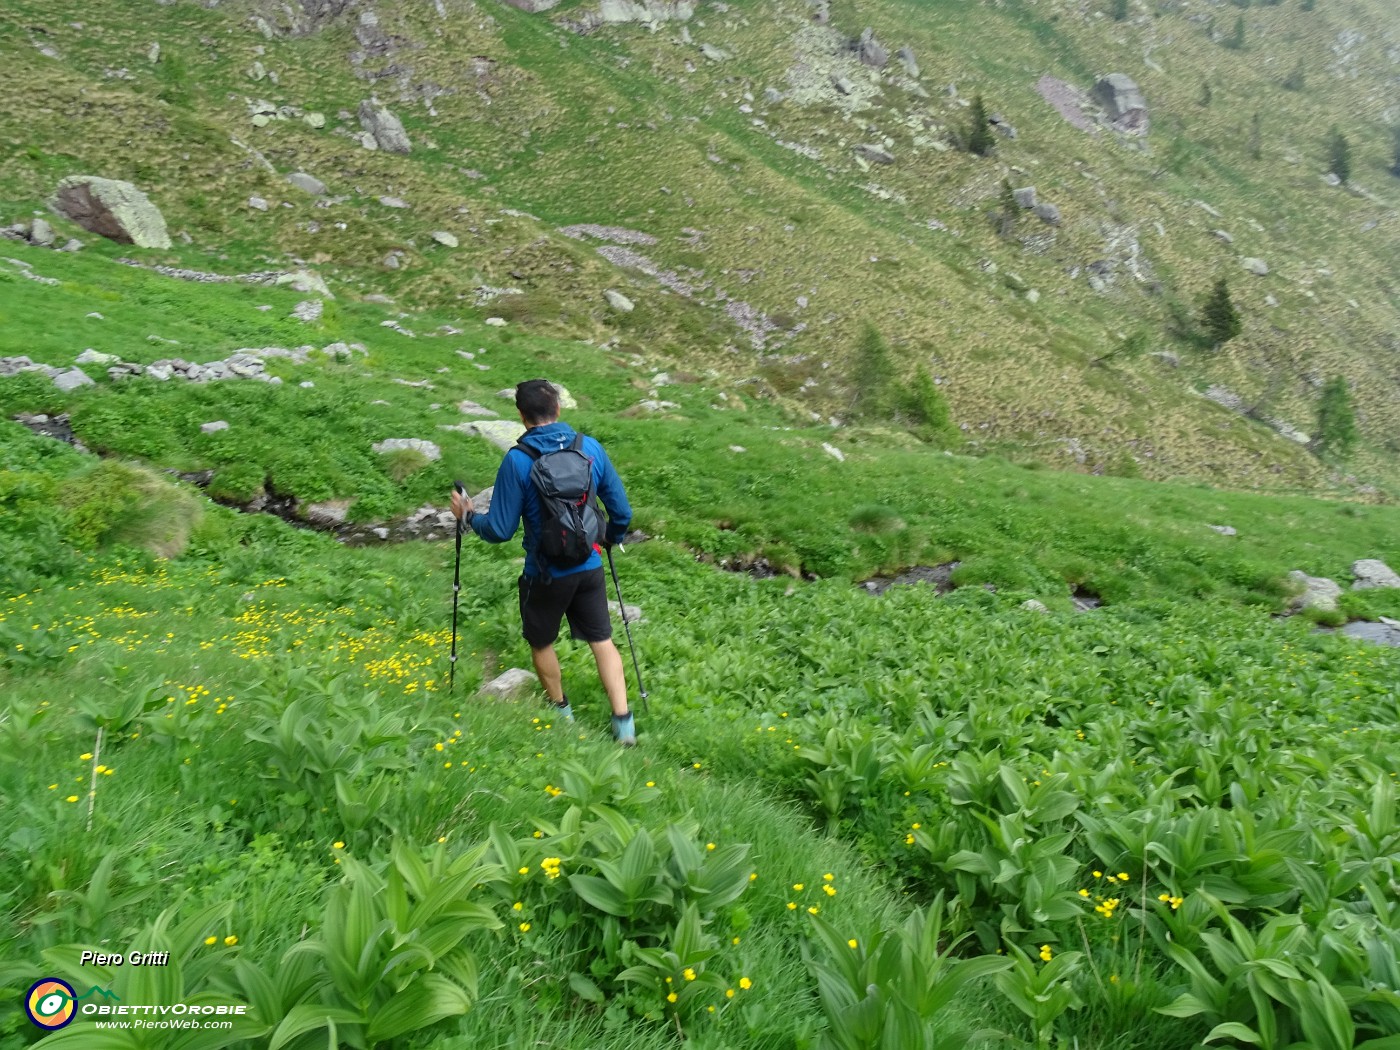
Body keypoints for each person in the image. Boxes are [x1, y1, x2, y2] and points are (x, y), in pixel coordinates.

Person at [451, 379, 637, 745]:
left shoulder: (518, 460)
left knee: (541, 643)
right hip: (590, 566)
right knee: (602, 640)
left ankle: (561, 714)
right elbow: (622, 513)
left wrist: (468, 517)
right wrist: (610, 539)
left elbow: (501, 529)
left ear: (521, 416)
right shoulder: (591, 449)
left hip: (545, 574)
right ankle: (623, 724)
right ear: (558, 409)